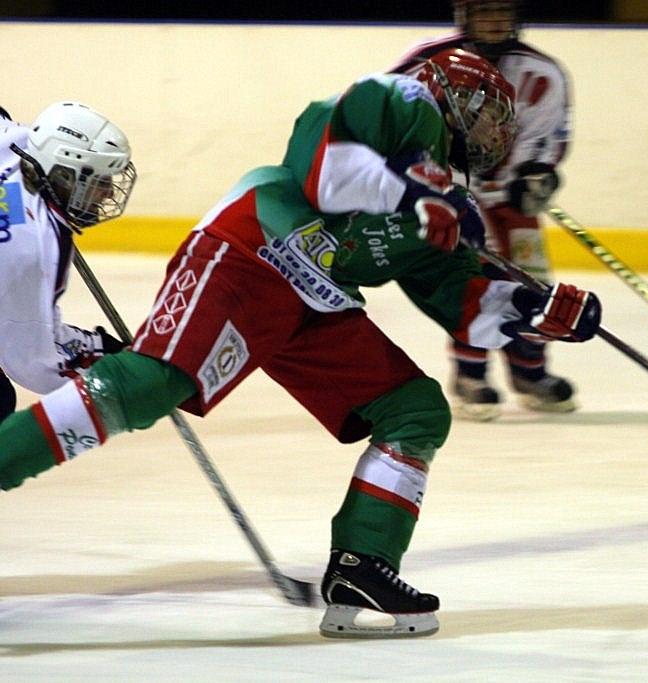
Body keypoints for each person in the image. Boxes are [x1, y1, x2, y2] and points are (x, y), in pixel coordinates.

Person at [0, 49, 602, 639]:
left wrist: (532, 310)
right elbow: (322, 164)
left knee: (414, 409)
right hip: (254, 246)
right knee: (153, 384)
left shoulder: (454, 202)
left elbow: (459, 301)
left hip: (319, 299)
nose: (500, 132)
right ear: (457, 100)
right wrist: (414, 195)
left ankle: (362, 567)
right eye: (491, 113)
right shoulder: (402, 102)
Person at [392, 0, 575, 421]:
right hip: (453, 194)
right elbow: (396, 115)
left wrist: (537, 173)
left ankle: (530, 372)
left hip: (510, 197)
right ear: (465, 15)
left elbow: (548, 135)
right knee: (474, 281)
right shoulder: (428, 60)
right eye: (484, 11)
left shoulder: (542, 72)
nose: (494, 21)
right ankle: (470, 374)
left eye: (503, 11)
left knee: (533, 283)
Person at [0, 102, 133, 424]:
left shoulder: (16, 141)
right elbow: (34, 362)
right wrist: (100, 356)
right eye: (100, 181)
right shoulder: (32, 249)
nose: (108, 194)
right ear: (64, 175)